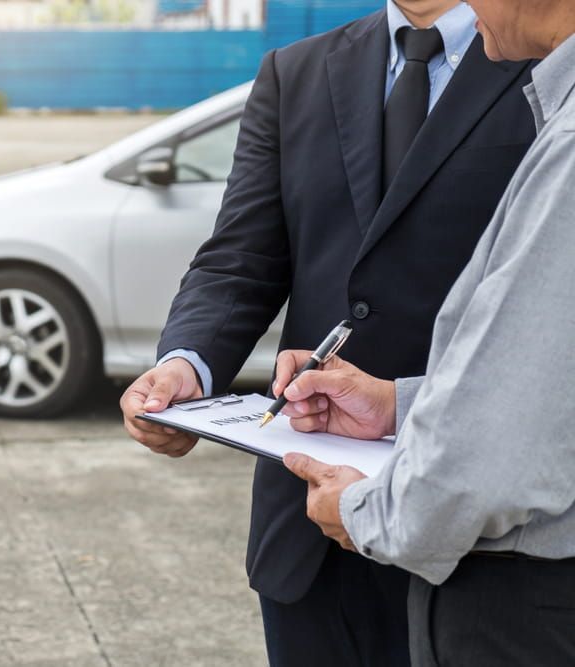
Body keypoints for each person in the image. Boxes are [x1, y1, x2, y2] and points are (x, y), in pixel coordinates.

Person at [119, 0, 538, 664]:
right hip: (308, 522)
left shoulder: (540, 53)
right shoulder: (295, 71)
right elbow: (241, 255)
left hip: (476, 530)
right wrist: (187, 367)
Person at [273, 1, 575, 663]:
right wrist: (397, 406)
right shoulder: (295, 67)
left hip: (520, 599)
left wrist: (369, 511)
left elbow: (500, 439)